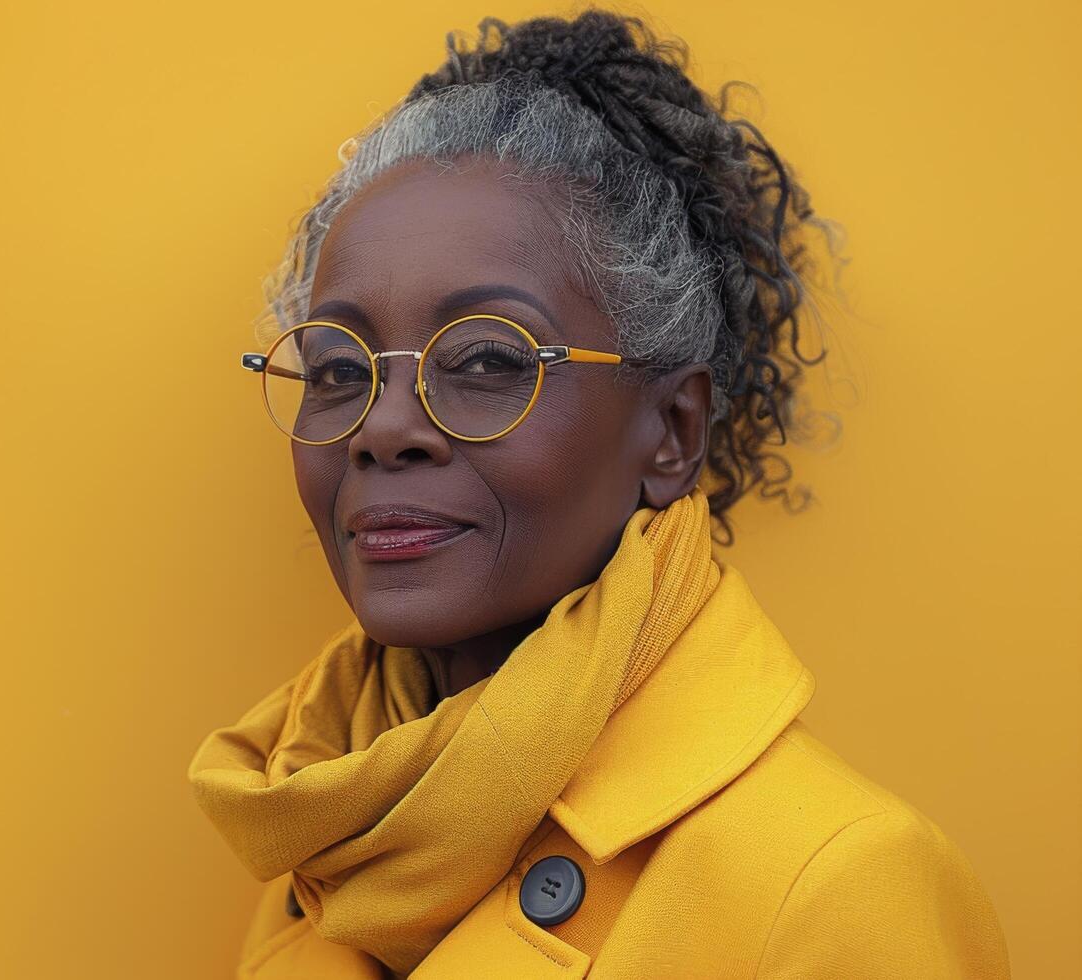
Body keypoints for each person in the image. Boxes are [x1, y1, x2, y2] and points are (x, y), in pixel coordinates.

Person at [186, 9, 1011, 978]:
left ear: (671, 431)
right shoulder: (325, 829)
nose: (382, 426)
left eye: (487, 357)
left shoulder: (835, 887)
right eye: (336, 367)